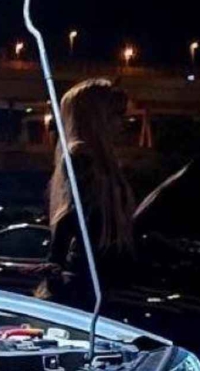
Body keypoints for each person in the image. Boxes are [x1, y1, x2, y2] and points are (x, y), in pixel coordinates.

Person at [39, 78, 135, 308]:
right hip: (89, 274)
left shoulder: (100, 158)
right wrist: (54, 264)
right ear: (96, 117)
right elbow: (71, 214)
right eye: (116, 114)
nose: (123, 122)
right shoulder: (81, 155)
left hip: (102, 269)